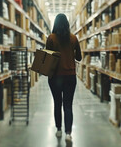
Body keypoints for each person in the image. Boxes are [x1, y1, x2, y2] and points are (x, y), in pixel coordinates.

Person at [46, 13, 82, 143]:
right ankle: (68, 133)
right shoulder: (73, 38)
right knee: (68, 105)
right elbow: (79, 57)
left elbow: (47, 60)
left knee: (57, 103)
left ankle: (59, 129)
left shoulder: (51, 38)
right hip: (70, 76)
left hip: (55, 77)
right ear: (67, 24)